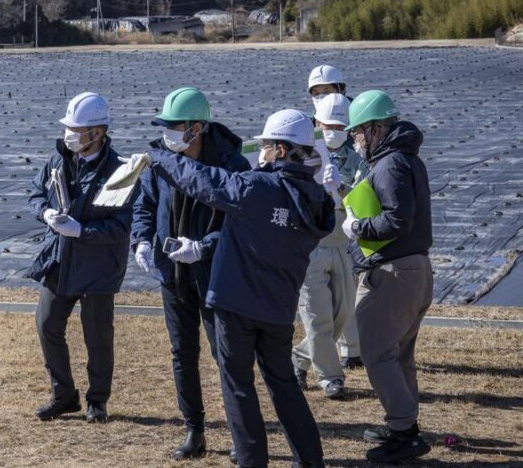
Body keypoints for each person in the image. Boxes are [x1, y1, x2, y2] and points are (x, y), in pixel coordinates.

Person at [134, 109, 334, 468]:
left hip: (237, 305)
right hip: (277, 308)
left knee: (238, 386)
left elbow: (201, 180)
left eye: (269, 146)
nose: (264, 152)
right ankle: (309, 459)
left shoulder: (259, 188)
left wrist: (159, 157)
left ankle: (250, 458)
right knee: (284, 385)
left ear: (284, 150)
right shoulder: (317, 198)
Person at [130, 87, 250, 460]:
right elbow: (145, 204)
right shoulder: (162, 162)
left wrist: (204, 246)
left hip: (216, 275)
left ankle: (240, 434)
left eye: (175, 126)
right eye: (164, 126)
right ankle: (194, 429)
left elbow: (240, 223)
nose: (168, 133)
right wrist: (142, 242)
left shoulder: (231, 166)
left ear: (198, 128)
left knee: (226, 354)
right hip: (173, 275)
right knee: (182, 352)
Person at [26, 92, 135, 424]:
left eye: (75, 128)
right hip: (60, 260)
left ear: (97, 132)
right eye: (67, 127)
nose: (68, 134)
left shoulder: (120, 171)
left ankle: (97, 400)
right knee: (47, 324)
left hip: (99, 268)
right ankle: (64, 395)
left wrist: (81, 231)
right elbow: (35, 192)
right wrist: (44, 213)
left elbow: (121, 225)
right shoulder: (58, 160)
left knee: (97, 337)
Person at [341, 90, 433, 463]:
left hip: (393, 271)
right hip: (414, 269)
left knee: (378, 354)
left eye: (358, 132)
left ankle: (404, 432)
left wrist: (356, 226)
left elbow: (397, 219)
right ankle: (403, 426)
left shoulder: (391, 163)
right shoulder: (406, 159)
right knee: (399, 355)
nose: (355, 140)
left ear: (376, 129)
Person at [292, 94, 367, 399]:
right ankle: (330, 377)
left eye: (341, 125)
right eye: (328, 124)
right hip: (309, 246)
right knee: (316, 315)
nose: (333, 130)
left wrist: (343, 188)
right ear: (317, 124)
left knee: (342, 314)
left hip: (343, 244)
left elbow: (364, 200)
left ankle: (297, 358)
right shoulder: (304, 155)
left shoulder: (360, 158)